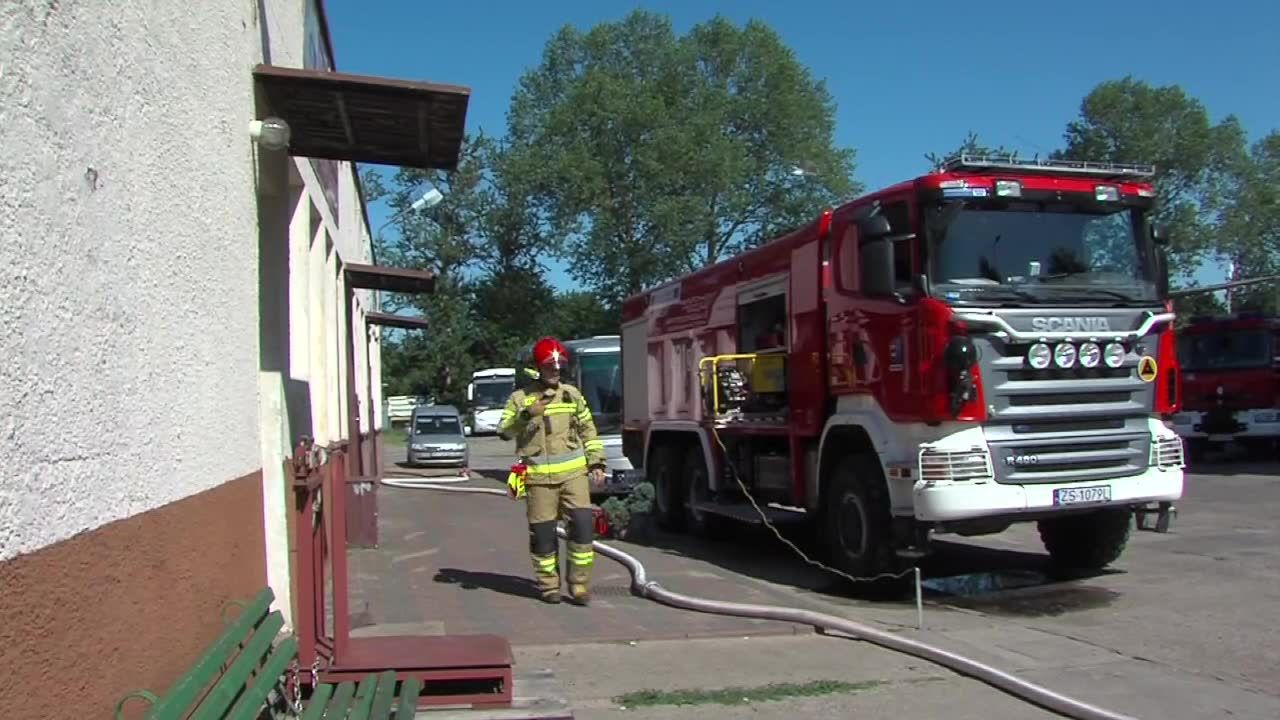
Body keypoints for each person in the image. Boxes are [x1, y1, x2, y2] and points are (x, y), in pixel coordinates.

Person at [498, 337, 608, 604]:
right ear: (537, 367)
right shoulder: (520, 399)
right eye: (550, 367)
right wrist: (527, 415)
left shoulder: (572, 395)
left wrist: (597, 462)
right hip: (537, 480)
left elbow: (588, 431)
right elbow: (503, 431)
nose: (556, 372)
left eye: (559, 367)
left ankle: (579, 585)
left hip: (574, 477)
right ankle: (548, 586)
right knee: (543, 536)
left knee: (583, 528)